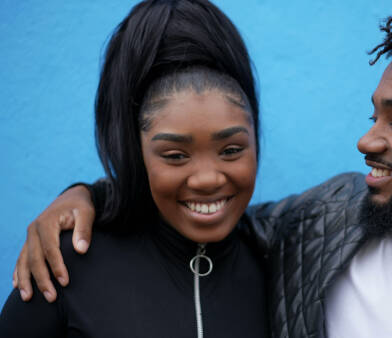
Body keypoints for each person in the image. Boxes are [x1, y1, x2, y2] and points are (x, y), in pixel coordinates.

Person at [11, 0, 392, 337]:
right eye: (373, 114)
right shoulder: (324, 219)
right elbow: (197, 206)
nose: (367, 140)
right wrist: (89, 195)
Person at [0, 0, 269, 337]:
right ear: (134, 151)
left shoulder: (279, 262)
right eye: (174, 155)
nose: (207, 178)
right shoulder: (64, 263)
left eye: (231, 150)